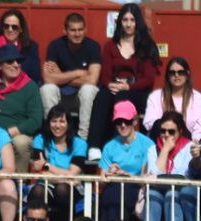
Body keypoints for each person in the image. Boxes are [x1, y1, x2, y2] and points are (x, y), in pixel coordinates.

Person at [91, 3, 157, 163]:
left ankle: (116, 147)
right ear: (120, 22)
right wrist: (110, 85)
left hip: (138, 93)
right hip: (115, 88)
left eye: (132, 20)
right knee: (102, 95)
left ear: (138, 22)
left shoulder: (147, 45)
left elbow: (148, 79)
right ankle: (94, 146)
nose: (128, 24)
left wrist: (128, 86)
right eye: (125, 20)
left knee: (121, 94)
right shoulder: (110, 46)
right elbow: (105, 76)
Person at [0, 43, 40, 174]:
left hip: (15, 134)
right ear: (0, 65)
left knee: (21, 142)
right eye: (10, 61)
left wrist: (12, 131)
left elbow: (36, 119)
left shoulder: (30, 86)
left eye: (19, 61)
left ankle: (19, 184)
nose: (16, 64)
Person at [41, 13, 100, 145]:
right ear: (65, 31)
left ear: (85, 30)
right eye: (73, 30)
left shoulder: (93, 46)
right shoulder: (55, 45)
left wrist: (61, 75)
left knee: (88, 90)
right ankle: (51, 137)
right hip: (60, 96)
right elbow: (48, 78)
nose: (77, 34)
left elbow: (92, 80)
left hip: (80, 98)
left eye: (80, 30)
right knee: (47, 88)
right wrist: (79, 73)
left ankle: (83, 139)